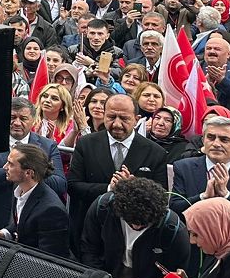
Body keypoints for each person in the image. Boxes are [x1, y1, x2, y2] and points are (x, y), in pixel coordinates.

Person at [65, 93, 166, 255]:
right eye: (111, 117)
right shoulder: (87, 144)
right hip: (90, 232)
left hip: (133, 238)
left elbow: (161, 197)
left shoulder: (155, 152)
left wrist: (133, 189)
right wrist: (109, 189)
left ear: (137, 118)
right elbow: (73, 185)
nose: (117, 124)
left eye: (124, 118)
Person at [0, 97, 67, 231]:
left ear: (33, 120)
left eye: (23, 118)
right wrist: (13, 170)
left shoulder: (47, 146)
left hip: (32, 221)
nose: (17, 123)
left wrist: (27, 174)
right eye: (12, 117)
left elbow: (60, 184)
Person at [80, 175, 189, 278]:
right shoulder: (103, 209)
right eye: (130, 222)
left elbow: (174, 273)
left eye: (144, 224)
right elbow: (89, 249)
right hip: (105, 274)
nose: (136, 227)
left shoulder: (173, 230)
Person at [0, 144, 70, 257]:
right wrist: (4, 234)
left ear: (28, 173)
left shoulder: (51, 210)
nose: (5, 167)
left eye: (11, 164)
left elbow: (48, 259)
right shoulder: (21, 191)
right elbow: (22, 223)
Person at [170, 114, 230, 215]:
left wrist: (226, 194)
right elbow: (174, 208)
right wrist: (203, 197)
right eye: (211, 138)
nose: (216, 144)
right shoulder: (184, 167)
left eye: (224, 139)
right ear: (203, 140)